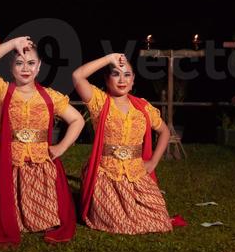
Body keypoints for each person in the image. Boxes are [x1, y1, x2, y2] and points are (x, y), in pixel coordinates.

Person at [0, 36, 84, 245]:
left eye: (31, 63)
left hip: (39, 164)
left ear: (39, 66)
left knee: (45, 220)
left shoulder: (50, 96)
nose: (26, 68)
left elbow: (77, 120)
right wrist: (13, 44)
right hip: (8, 163)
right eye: (19, 63)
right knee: (5, 217)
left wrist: (61, 146)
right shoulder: (1, 91)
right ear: (11, 67)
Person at [72, 52, 173, 234]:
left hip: (136, 173)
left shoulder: (142, 107)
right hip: (107, 175)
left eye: (127, 75)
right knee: (117, 222)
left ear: (133, 79)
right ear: (107, 78)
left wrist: (153, 162)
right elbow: (77, 76)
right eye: (116, 73)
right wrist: (109, 58)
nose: (122, 79)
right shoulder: (100, 102)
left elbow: (164, 131)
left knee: (161, 220)